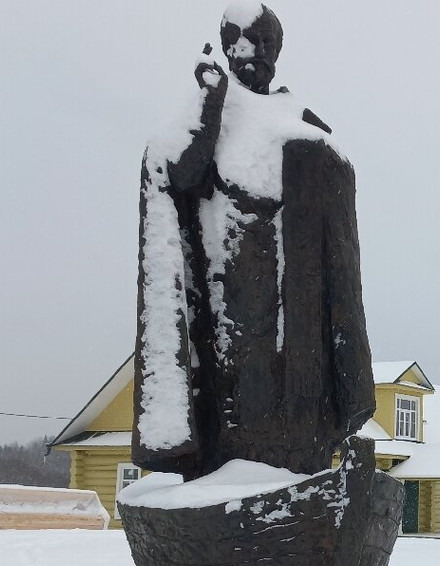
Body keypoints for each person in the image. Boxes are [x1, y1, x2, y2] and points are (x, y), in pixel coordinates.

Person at [132, 2, 374, 480]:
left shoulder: (299, 118)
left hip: (298, 304)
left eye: (267, 43)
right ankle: (233, 482)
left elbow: (334, 186)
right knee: (238, 403)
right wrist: (207, 108)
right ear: (227, 46)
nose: (257, 52)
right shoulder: (211, 106)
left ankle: (295, 480)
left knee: (296, 405)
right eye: (247, 41)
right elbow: (174, 171)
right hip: (228, 297)